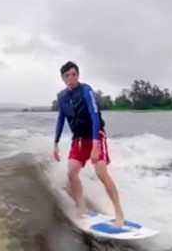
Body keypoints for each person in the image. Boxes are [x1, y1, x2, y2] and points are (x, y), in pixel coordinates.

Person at [53, 61, 125, 227]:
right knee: (71, 173)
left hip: (95, 136)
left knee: (101, 172)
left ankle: (119, 213)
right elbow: (61, 119)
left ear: (78, 75)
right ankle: (82, 206)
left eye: (74, 74)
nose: (71, 78)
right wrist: (55, 143)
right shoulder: (62, 97)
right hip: (78, 139)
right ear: (63, 78)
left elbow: (94, 117)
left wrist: (95, 146)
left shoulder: (86, 91)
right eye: (67, 76)